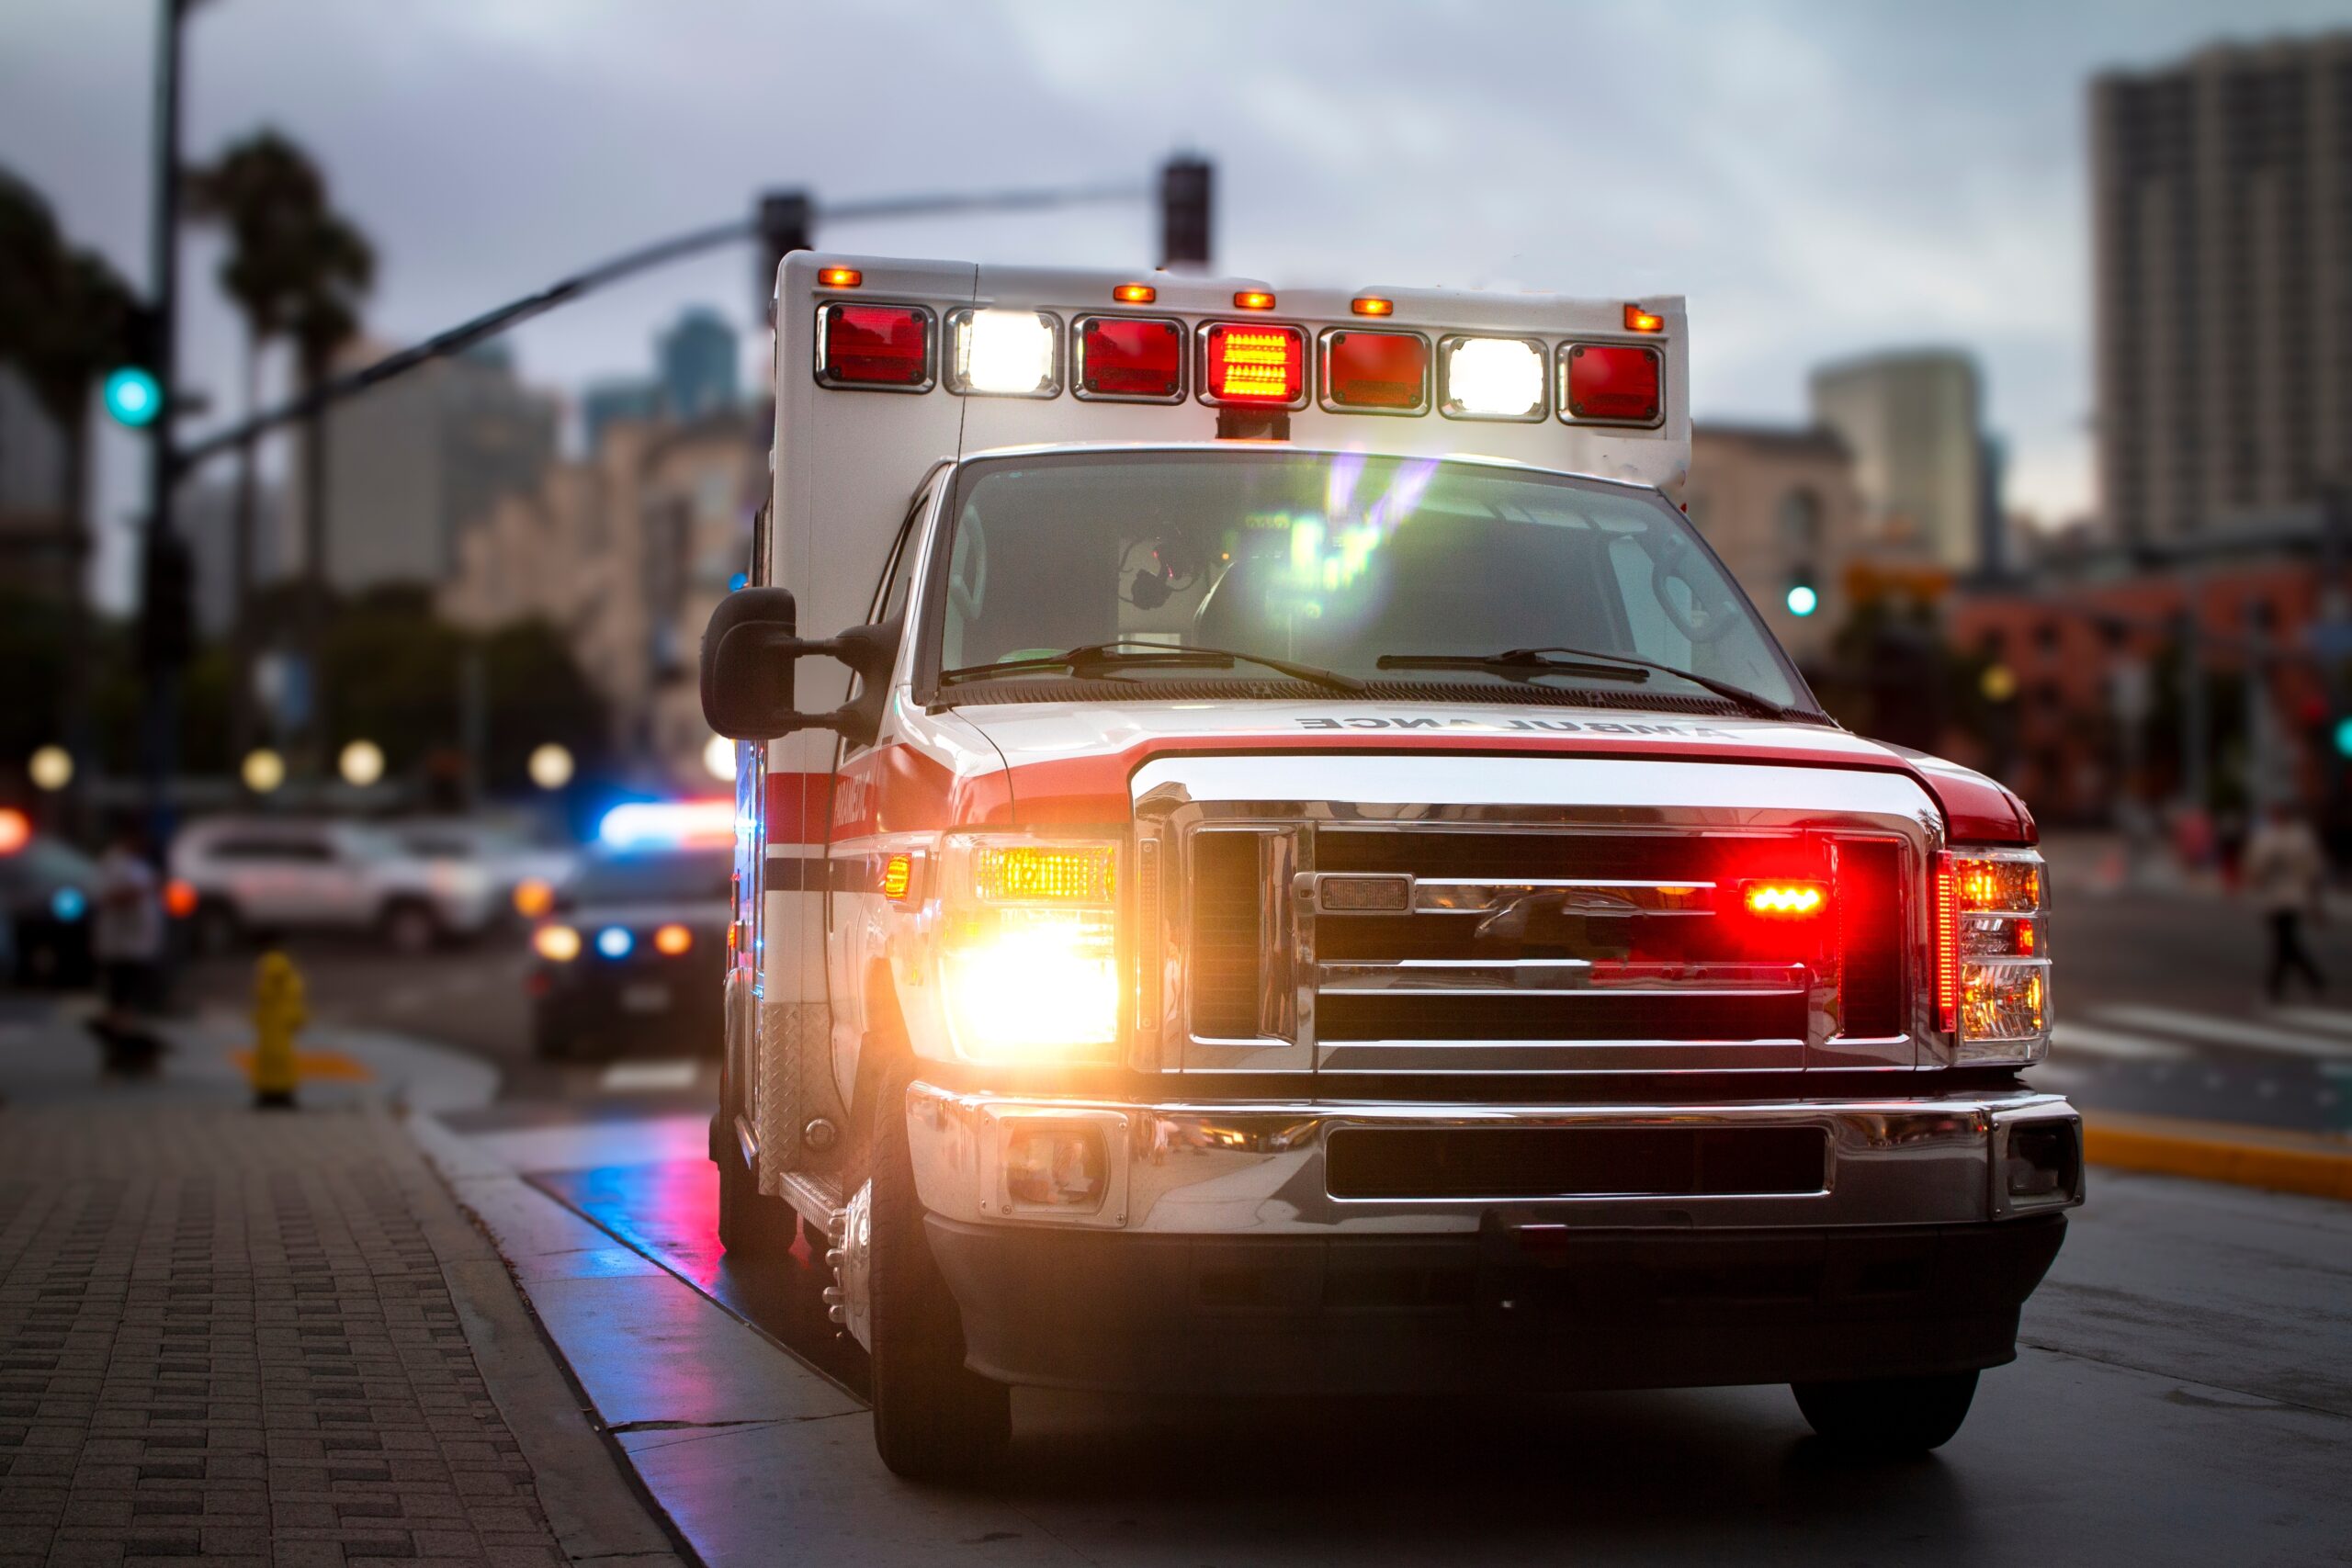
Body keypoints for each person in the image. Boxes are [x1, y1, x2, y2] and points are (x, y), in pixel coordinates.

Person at [89, 818, 167, 1070]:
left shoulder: (137, 863)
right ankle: (117, 1050)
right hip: (120, 945)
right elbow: (109, 896)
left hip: (138, 944)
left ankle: (129, 1051)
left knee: (131, 1000)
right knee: (119, 999)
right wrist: (142, 890)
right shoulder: (113, 862)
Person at [2243, 799, 2328, 1003]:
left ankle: (2275, 988)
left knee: (2283, 942)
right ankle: (2314, 979)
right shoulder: (2266, 837)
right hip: (2273, 897)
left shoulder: (2300, 837)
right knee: (2286, 942)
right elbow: (2254, 866)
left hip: (2293, 896)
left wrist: (2315, 900)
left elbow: (2312, 868)